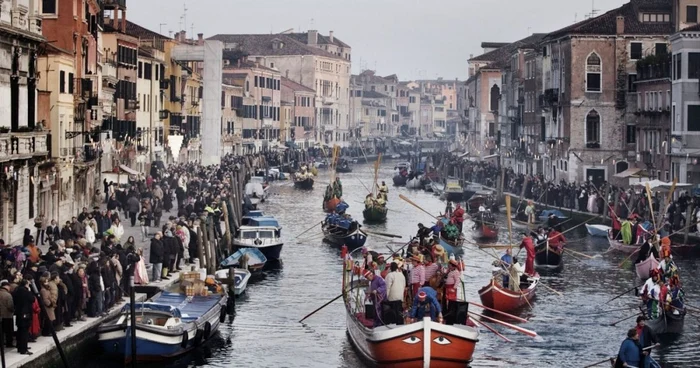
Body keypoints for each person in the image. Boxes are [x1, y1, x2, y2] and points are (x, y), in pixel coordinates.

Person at [443, 260, 461, 325]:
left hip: (451, 288)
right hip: (447, 288)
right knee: (447, 301)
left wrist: (454, 288)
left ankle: (451, 315)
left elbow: (457, 280)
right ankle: (447, 314)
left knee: (451, 302)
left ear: (452, 266)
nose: (448, 266)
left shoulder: (456, 272)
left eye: (449, 265)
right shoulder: (450, 271)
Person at [0, 280, 14, 348]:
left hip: (1, 316)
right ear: (6, 286)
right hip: (7, 315)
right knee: (9, 331)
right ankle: (9, 344)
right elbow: (10, 306)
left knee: (1, 331)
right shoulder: (8, 295)